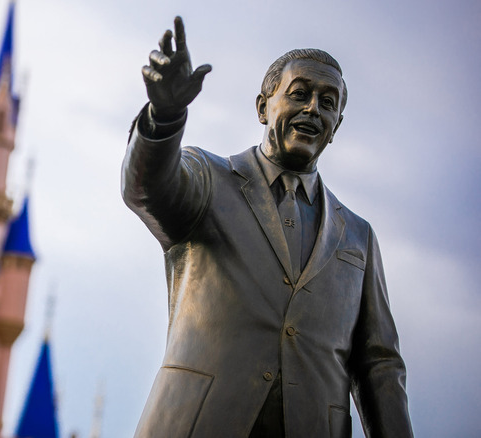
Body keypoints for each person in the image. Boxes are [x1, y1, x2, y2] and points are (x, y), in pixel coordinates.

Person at [121, 17, 413, 438]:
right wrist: (164, 117)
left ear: (337, 127)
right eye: (300, 94)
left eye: (328, 102)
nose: (314, 108)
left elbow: (379, 365)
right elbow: (145, 188)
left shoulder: (358, 236)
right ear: (263, 107)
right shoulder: (208, 179)